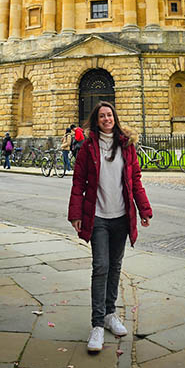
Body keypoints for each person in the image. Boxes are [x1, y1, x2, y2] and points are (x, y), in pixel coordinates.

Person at [67, 101, 152, 353]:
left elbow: (135, 179)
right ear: (96, 120)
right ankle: (96, 324)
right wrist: (75, 214)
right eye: (102, 116)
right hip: (98, 217)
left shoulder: (127, 146)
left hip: (121, 217)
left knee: (115, 266)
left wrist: (144, 209)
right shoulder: (87, 147)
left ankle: (110, 314)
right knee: (100, 266)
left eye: (110, 115)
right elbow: (78, 181)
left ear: (115, 118)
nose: (107, 119)